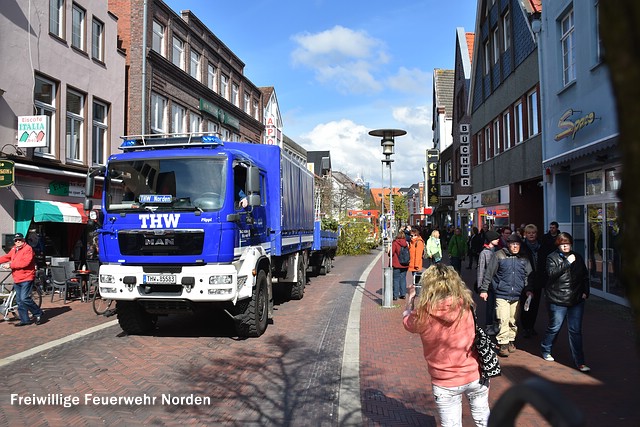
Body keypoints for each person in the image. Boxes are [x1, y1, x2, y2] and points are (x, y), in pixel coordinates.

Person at [403, 264, 490, 427]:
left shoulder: (423, 314)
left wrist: (410, 299)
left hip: (444, 380)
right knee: (483, 419)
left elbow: (407, 323)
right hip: (474, 373)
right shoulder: (466, 305)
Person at [540, 232, 591, 373]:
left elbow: (584, 276)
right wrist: (567, 263)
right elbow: (551, 274)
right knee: (555, 327)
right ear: (558, 244)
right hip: (557, 298)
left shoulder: (578, 257)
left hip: (576, 299)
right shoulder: (552, 257)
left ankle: (580, 361)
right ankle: (546, 347)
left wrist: (586, 291)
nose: (565, 246)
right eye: (563, 244)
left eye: (567, 244)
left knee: (575, 331)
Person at [480, 233, 533, 357]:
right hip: (501, 293)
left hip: (516, 294)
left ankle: (510, 340)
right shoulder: (498, 255)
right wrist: (484, 290)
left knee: (512, 320)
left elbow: (528, 276)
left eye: (517, 244)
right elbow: (489, 273)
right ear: (508, 245)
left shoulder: (523, 258)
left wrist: (528, 289)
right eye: (512, 244)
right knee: (503, 318)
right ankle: (503, 343)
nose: (515, 247)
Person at [0, 233, 44, 326]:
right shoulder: (14, 249)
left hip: (26, 277)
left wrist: (10, 265)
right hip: (17, 278)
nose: (18, 241)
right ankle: (25, 320)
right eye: (16, 240)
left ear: (23, 240)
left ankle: (38, 313)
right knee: (19, 300)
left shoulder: (28, 249)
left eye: (19, 239)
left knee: (24, 298)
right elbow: (7, 257)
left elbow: (25, 263)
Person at [518, 224, 545, 338]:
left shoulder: (541, 247)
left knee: (535, 306)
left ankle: (531, 326)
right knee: (525, 304)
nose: (531, 235)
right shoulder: (522, 247)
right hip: (526, 280)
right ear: (525, 234)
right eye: (529, 233)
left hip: (538, 280)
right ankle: (525, 327)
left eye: (533, 233)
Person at [477, 230, 500, 335]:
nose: (498, 240)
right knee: (490, 306)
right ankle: (489, 325)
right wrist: (481, 286)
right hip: (489, 283)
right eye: (496, 238)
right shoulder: (484, 253)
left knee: (497, 305)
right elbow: (481, 269)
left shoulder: (498, 251)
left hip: (498, 282)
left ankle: (496, 323)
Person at [390, 231, 409, 300]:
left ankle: (395, 295)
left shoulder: (395, 243)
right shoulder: (406, 243)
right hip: (405, 264)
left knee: (396, 279)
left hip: (396, 264)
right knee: (403, 278)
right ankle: (403, 294)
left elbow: (391, 253)